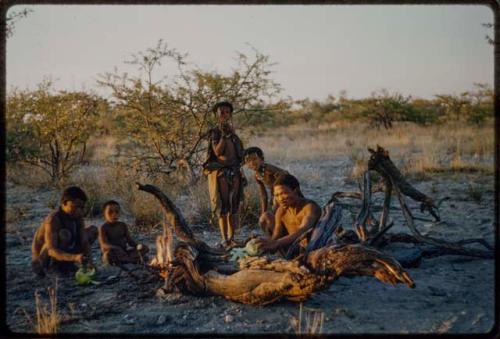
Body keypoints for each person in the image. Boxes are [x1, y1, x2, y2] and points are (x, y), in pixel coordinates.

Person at [203, 101, 245, 247]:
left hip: (234, 170)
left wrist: (231, 135)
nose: (225, 115)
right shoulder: (215, 132)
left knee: (234, 206)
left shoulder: (233, 133)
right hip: (221, 172)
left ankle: (232, 238)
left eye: (228, 112)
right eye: (222, 113)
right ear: (217, 115)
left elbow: (239, 152)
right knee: (223, 206)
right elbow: (218, 152)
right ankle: (224, 239)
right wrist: (225, 136)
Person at [31, 186, 97, 276]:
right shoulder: (53, 220)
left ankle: (67, 265)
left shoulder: (78, 216)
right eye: (75, 207)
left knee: (92, 230)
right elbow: (51, 250)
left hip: (66, 252)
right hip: (43, 260)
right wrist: (74, 257)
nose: (78, 211)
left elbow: (84, 241)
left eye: (81, 207)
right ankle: (56, 268)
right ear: (64, 204)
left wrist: (91, 263)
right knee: (64, 234)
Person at [255, 174, 321, 256]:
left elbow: (303, 230)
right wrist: (266, 243)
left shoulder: (310, 207)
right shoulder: (281, 211)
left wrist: (277, 243)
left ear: (295, 191)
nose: (281, 198)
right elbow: (277, 234)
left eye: (284, 193)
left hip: (310, 250)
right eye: (277, 195)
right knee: (266, 217)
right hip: (290, 248)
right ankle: (281, 255)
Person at [243, 146, 303, 236]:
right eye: (248, 161)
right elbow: (263, 195)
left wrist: (278, 191)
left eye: (254, 159)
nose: (252, 163)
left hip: (287, 193)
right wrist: (263, 211)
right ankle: (275, 236)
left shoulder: (268, 169)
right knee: (272, 215)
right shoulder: (257, 175)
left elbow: (285, 174)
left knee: (286, 213)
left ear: (262, 159)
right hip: (276, 196)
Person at [98, 200, 149, 265]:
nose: (114, 214)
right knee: (108, 255)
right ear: (104, 214)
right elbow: (104, 244)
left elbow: (130, 241)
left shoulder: (122, 225)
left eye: (117, 212)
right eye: (110, 212)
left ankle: (127, 259)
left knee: (144, 249)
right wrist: (116, 248)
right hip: (113, 252)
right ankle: (131, 260)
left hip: (124, 252)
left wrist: (138, 245)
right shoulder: (103, 227)